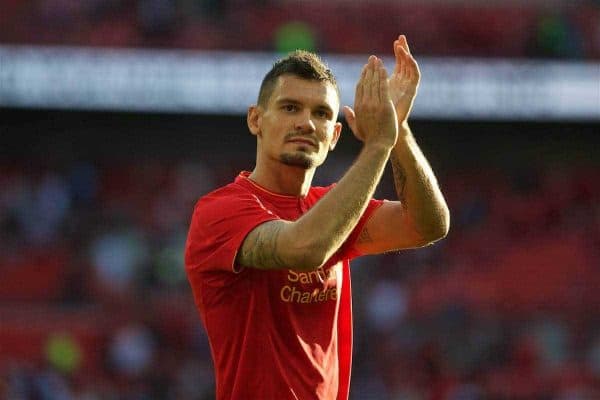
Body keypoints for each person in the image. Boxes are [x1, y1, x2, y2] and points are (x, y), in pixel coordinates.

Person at [184, 35, 450, 400]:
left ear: (335, 135)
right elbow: (305, 247)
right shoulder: (220, 211)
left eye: (321, 113)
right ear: (255, 120)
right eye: (290, 108)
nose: (306, 123)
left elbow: (428, 225)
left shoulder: (334, 206)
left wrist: (398, 130)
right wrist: (377, 146)